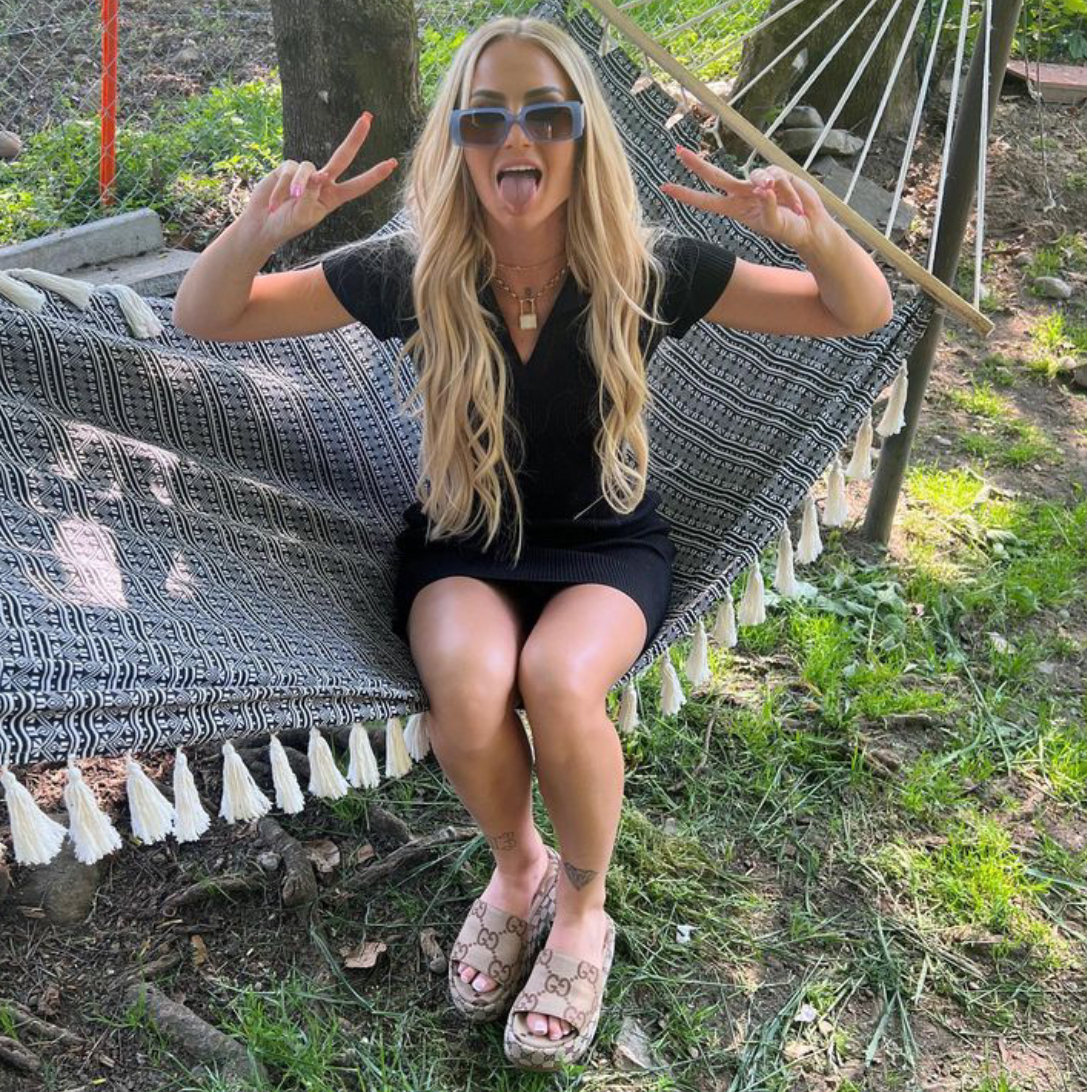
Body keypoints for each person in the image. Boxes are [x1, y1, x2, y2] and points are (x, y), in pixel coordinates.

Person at [172, 14, 892, 1070]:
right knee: (466, 690)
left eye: (547, 114)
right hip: (461, 545)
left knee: (557, 679)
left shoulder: (646, 270)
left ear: (583, 136)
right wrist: (257, 231)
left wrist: (811, 232)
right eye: (486, 117)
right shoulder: (413, 270)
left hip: (606, 548)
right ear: (459, 143)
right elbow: (208, 317)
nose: (517, 136)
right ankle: (518, 871)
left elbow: (855, 312)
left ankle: (583, 914)